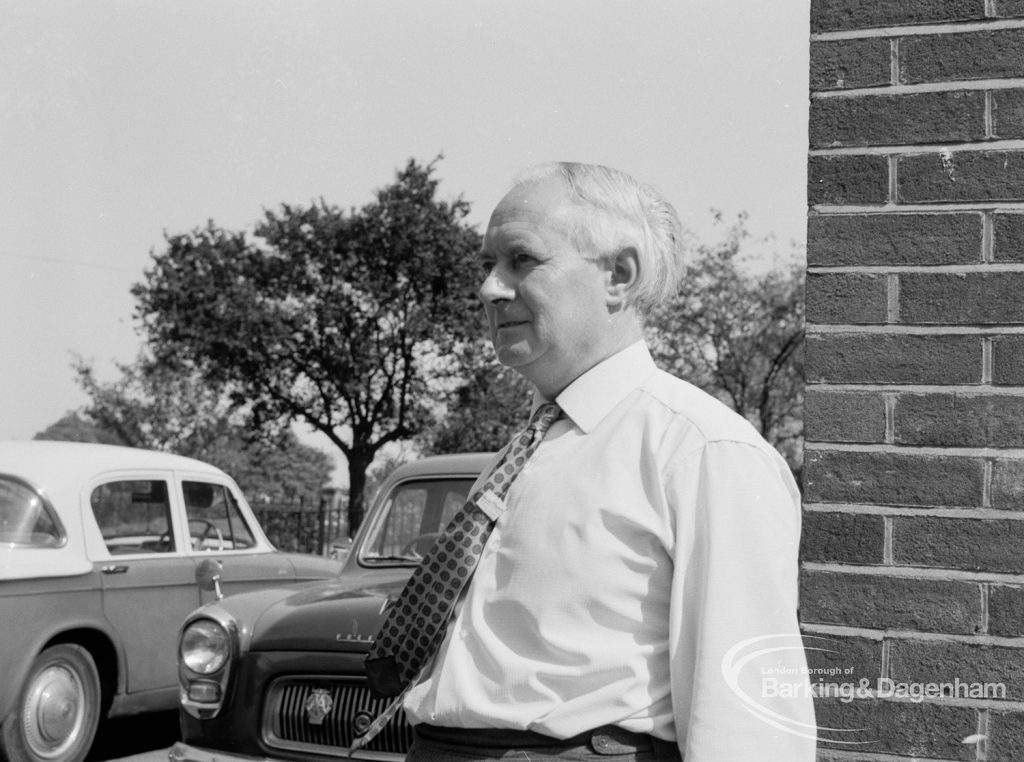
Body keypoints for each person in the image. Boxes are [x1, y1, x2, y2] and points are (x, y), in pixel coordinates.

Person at [401, 162, 816, 761]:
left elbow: (748, 716)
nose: (490, 287)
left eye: (521, 259)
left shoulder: (703, 452)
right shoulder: (522, 451)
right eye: (487, 264)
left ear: (618, 275)